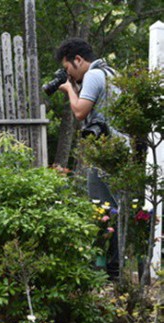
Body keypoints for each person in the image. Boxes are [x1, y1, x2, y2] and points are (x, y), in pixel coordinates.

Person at [56, 38, 121, 279]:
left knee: (101, 209)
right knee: (115, 209)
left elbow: (80, 111)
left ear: (79, 60)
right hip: (119, 148)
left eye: (68, 68)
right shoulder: (111, 72)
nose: (68, 74)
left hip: (104, 151)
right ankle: (115, 270)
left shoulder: (94, 75)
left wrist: (69, 89)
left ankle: (105, 271)